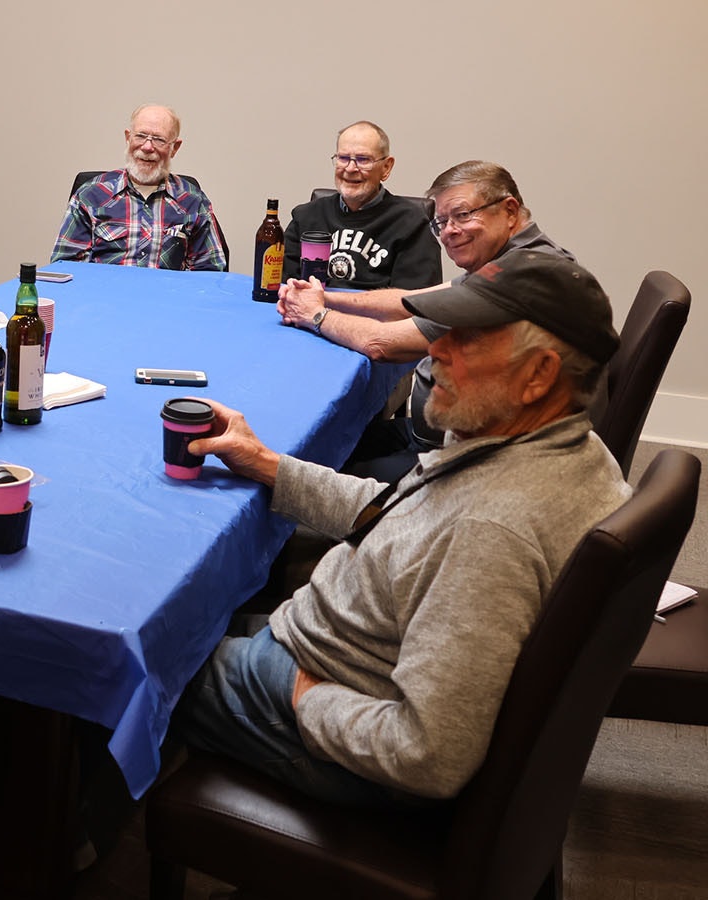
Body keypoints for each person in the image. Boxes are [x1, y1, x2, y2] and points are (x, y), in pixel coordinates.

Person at [172, 248, 627, 807]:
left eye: (467, 339)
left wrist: (304, 695)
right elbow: (408, 510)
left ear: (539, 375)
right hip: (350, 650)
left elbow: (429, 755)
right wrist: (267, 463)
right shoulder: (563, 447)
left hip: (335, 708)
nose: (436, 350)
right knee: (204, 610)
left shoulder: (491, 533)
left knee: (146, 663)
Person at [277, 160, 574, 482]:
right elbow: (413, 301)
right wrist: (324, 296)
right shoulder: (518, 259)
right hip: (440, 432)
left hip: (476, 458)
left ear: (510, 210)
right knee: (317, 442)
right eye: (442, 222)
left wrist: (316, 315)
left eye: (462, 215)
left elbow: (380, 344)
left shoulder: (519, 279)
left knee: (303, 472)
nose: (449, 232)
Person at [50, 104, 227, 271]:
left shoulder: (193, 202)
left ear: (174, 148)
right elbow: (66, 268)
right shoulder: (90, 196)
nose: (148, 147)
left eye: (159, 139)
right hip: (104, 300)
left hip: (168, 301)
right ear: (128, 138)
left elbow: (210, 273)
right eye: (141, 136)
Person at [280, 121, 441, 290]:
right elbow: (285, 285)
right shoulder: (305, 217)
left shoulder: (412, 224)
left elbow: (413, 301)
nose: (350, 168)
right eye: (343, 158)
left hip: (375, 316)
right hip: (308, 313)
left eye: (363, 160)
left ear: (386, 167)